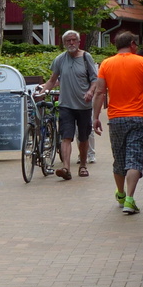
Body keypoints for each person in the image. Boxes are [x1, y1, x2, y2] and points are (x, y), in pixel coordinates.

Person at [91, 31, 143, 215]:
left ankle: (120, 194)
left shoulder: (106, 64)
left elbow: (99, 92)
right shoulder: (142, 62)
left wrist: (95, 117)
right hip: (138, 117)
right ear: (131, 44)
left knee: (119, 158)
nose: (137, 47)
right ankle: (130, 199)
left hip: (115, 119)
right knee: (134, 158)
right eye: (136, 44)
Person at [38, 29, 98, 180]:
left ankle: (83, 166)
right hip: (66, 105)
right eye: (68, 41)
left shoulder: (86, 57)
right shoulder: (60, 59)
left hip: (84, 105)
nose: (71, 43)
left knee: (83, 138)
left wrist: (90, 91)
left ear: (78, 42)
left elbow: (95, 79)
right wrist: (42, 93)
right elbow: (52, 80)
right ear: (64, 43)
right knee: (66, 136)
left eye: (73, 40)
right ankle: (66, 168)